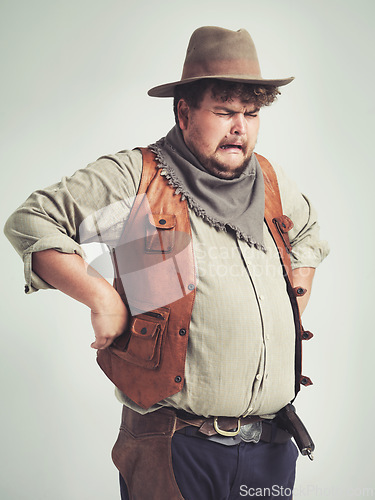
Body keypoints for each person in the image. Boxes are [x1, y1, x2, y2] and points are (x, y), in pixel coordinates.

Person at [4, 26, 329, 500]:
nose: (240, 127)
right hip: (175, 444)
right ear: (184, 111)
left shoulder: (271, 184)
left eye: (251, 114)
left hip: (270, 447)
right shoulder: (136, 179)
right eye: (223, 112)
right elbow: (32, 220)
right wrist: (102, 296)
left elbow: (308, 234)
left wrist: (292, 301)